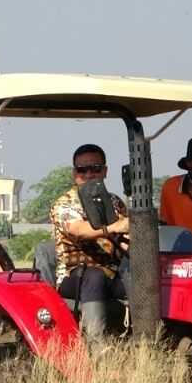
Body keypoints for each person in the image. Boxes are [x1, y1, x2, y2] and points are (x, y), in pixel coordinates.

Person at [50, 143, 130, 340]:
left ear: (105, 171)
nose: (88, 174)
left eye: (95, 168)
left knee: (145, 276)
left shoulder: (115, 202)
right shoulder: (64, 204)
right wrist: (113, 228)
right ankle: (97, 344)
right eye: (82, 169)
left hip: (113, 272)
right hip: (74, 275)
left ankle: (151, 340)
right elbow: (78, 229)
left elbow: (125, 239)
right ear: (74, 173)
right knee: (94, 275)